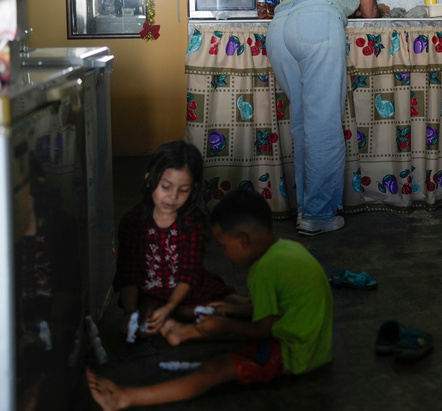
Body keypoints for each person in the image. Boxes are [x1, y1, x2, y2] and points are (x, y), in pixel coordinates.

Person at [87, 188, 334, 410]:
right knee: (223, 321)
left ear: (244, 239)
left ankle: (126, 397)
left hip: (296, 355)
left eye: (225, 246)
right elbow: (278, 308)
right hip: (319, 348)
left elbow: (262, 330)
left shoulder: (263, 271)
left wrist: (225, 323)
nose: (225, 254)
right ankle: (184, 332)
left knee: (213, 371)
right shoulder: (288, 249)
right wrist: (229, 310)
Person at [267, 0, 389, 236]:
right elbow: (368, 11)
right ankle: (318, 215)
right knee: (323, 126)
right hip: (317, 25)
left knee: (305, 123)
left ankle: (307, 209)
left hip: (280, 30)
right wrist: (380, 7)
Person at [113, 141, 235, 338]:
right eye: (166, 187)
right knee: (135, 326)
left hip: (186, 291)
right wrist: (131, 313)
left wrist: (170, 307)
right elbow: (128, 272)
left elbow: (190, 274)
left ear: (193, 189)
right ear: (149, 180)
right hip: (150, 295)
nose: (172, 197)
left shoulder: (192, 223)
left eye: (183, 190)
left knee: (216, 304)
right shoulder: (132, 222)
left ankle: (241, 305)